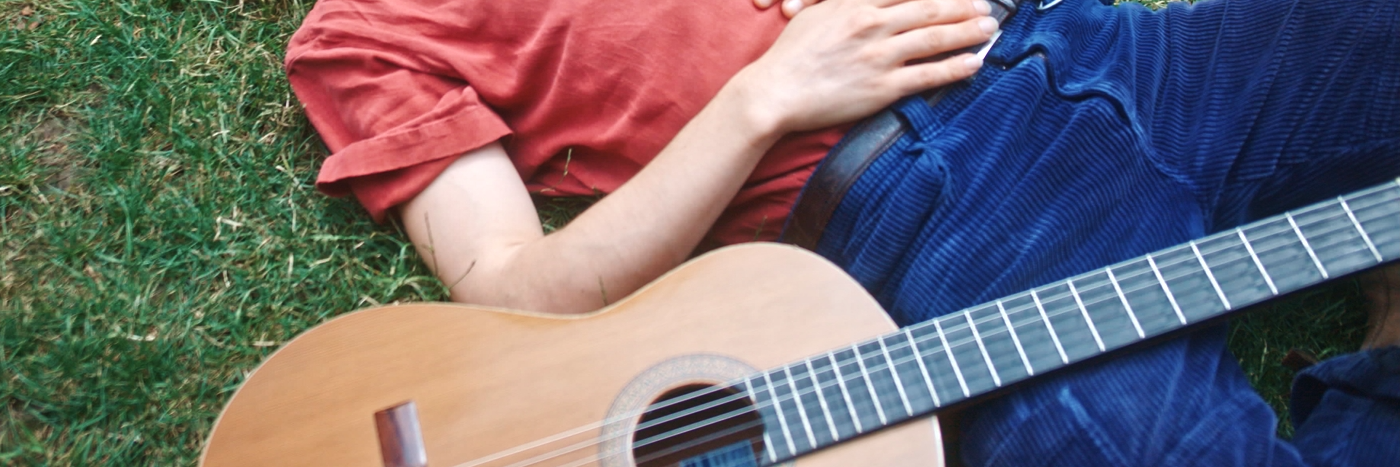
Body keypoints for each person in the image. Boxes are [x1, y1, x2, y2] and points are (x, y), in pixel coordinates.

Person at [284, 0, 1400, 465]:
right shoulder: (369, 33)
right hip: (944, 218)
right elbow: (513, 307)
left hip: (1106, 50)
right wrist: (764, 95)